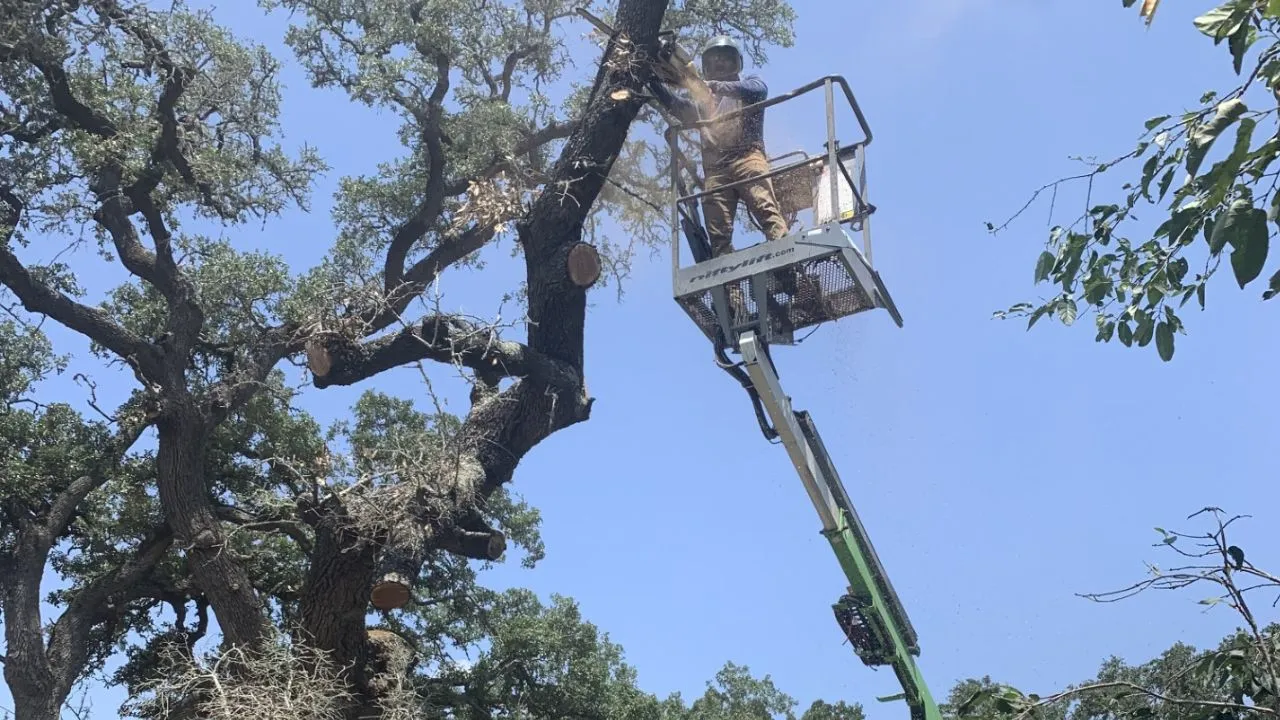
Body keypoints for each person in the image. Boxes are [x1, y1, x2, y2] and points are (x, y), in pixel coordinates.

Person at [649, 36, 791, 259]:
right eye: (714, 60)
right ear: (706, 67)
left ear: (736, 63)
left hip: (748, 158)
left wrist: (715, 86)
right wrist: (652, 82)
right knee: (718, 234)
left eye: (724, 59)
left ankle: (785, 254)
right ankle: (731, 290)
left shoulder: (747, 86)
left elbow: (759, 90)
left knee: (765, 208)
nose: (719, 64)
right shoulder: (705, 106)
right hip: (716, 170)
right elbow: (679, 108)